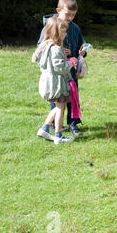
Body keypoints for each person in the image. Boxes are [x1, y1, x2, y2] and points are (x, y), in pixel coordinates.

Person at [37, 0, 87, 136]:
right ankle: (54, 124)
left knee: (73, 96)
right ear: (58, 10)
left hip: (70, 70)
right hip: (56, 72)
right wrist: (56, 49)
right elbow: (40, 47)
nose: (70, 17)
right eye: (67, 14)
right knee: (57, 97)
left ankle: (73, 124)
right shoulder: (50, 26)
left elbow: (80, 44)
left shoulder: (75, 28)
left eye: (73, 15)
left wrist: (82, 51)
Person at [33, 16, 75, 144]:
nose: (66, 33)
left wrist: (63, 55)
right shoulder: (56, 49)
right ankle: (56, 134)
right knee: (59, 108)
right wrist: (71, 62)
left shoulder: (47, 46)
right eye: (64, 31)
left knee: (57, 108)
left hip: (49, 83)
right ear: (57, 33)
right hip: (56, 84)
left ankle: (48, 130)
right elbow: (60, 68)